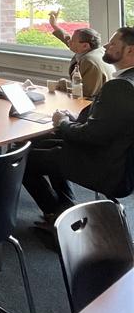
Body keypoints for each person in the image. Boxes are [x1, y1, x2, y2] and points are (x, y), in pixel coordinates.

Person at [23, 27, 134, 227]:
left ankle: (57, 218)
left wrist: (63, 123)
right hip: (118, 156)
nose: (107, 46)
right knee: (41, 142)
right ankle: (66, 206)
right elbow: (109, 123)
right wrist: (74, 120)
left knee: (23, 159)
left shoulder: (121, 87)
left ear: (130, 51)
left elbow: (92, 135)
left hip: (105, 166)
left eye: (113, 43)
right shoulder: (126, 82)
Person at [48, 11, 112, 98]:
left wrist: (63, 84)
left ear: (85, 45)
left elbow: (85, 93)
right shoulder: (97, 51)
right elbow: (67, 38)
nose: (69, 41)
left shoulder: (89, 61)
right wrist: (54, 25)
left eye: (72, 40)